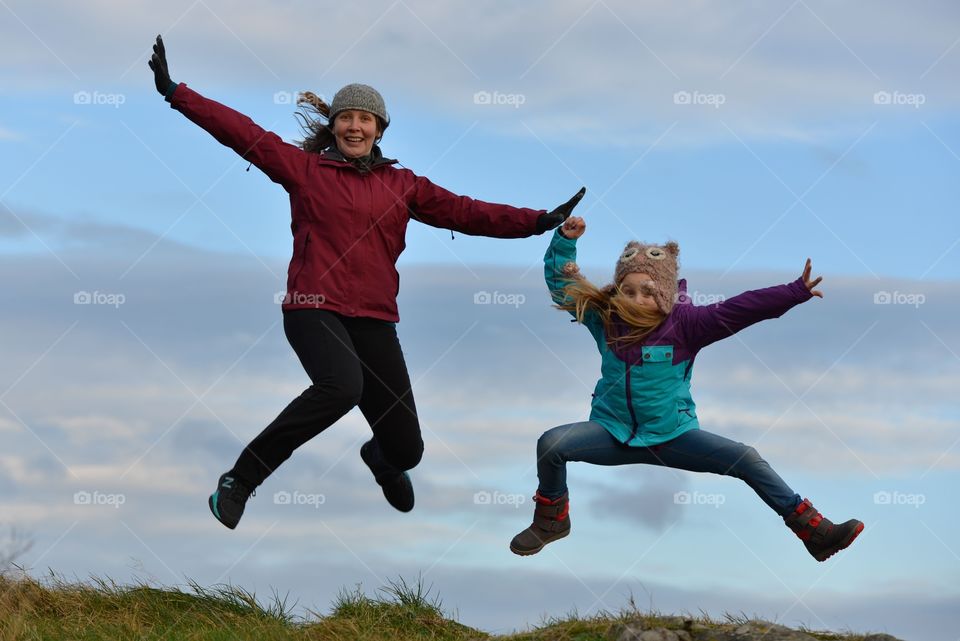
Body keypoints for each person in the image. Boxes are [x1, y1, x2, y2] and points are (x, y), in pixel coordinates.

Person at [147, 35, 585, 529]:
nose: (354, 125)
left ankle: (378, 459)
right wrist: (175, 91)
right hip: (314, 306)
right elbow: (243, 133)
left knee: (407, 450)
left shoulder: (404, 186)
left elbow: (466, 211)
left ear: (379, 129)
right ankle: (241, 478)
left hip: (375, 318)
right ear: (333, 126)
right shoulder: (306, 170)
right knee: (341, 387)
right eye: (346, 117)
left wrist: (535, 220)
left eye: (364, 118)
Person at [510, 215, 864, 562]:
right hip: (611, 431)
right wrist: (565, 242)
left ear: (664, 292)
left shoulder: (688, 326)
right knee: (552, 444)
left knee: (746, 459)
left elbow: (740, 309)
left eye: (647, 292)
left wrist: (793, 292)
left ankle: (815, 532)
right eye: (628, 290)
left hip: (673, 436)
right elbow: (564, 285)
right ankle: (551, 522)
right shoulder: (605, 320)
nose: (636, 299)